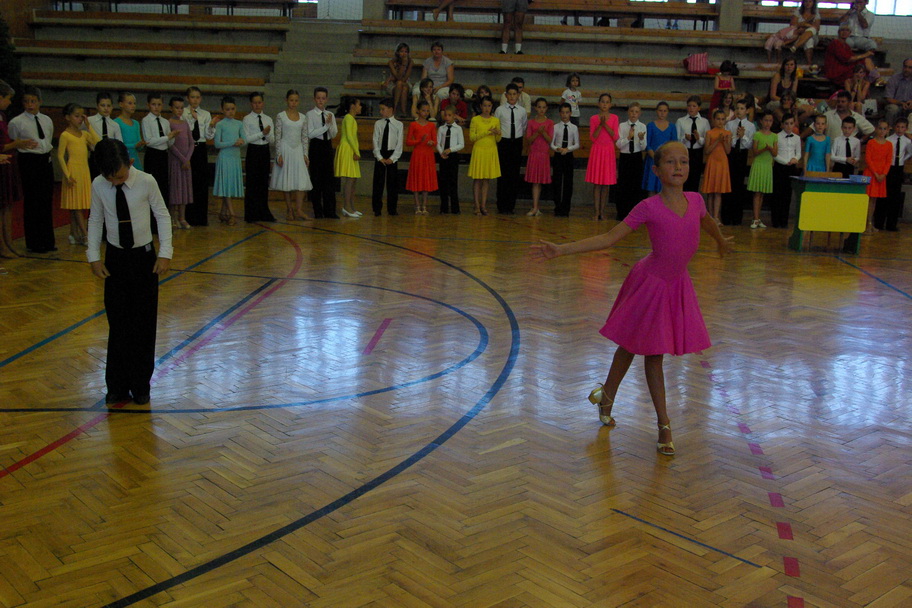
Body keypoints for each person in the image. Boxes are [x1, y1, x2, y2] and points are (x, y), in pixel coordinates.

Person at [530, 141, 733, 457]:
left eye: (683, 161)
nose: (678, 167)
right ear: (656, 170)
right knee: (652, 353)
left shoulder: (696, 200)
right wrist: (562, 250)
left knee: (630, 345)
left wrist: (720, 240)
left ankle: (606, 396)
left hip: (676, 286)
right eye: (670, 162)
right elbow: (609, 237)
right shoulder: (648, 207)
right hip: (650, 283)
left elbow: (706, 220)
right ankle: (664, 424)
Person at [86, 138, 172, 406]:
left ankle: (141, 384)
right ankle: (117, 386)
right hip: (115, 260)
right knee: (118, 323)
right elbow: (95, 219)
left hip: (143, 259)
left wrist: (165, 252)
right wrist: (93, 257)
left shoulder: (147, 181)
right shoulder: (99, 184)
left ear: (130, 162)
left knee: (143, 323)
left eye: (120, 177)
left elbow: (162, 215)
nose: (115, 182)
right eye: (110, 178)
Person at [9, 85, 56, 253]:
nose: (30, 105)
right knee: (32, 201)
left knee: (46, 200)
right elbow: (13, 141)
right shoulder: (17, 122)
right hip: (29, 161)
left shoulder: (47, 120)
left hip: (45, 160)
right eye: (26, 101)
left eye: (33, 101)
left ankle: (48, 240)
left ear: (40, 102)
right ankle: (34, 242)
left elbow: (48, 139)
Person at [57, 102, 101, 246]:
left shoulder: (84, 134)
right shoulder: (65, 135)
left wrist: (89, 126)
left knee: (79, 204)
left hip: (84, 171)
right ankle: (85, 235)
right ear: (68, 117)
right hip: (73, 171)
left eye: (81, 116)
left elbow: (98, 143)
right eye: (76, 116)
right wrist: (67, 175)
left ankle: (73, 233)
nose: (80, 119)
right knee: (76, 206)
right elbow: (60, 156)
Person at [271, 89, 313, 222]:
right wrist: (278, 154)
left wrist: (305, 154)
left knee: (301, 180)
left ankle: (299, 210)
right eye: (291, 100)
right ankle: (289, 209)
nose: (293, 103)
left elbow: (304, 137)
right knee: (286, 180)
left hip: (298, 150)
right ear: (286, 100)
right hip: (285, 150)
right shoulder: (281, 116)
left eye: (296, 100)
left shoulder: (303, 117)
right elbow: (278, 136)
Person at [242, 91, 276, 223]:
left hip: (264, 150)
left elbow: (272, 139)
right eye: (255, 103)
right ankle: (251, 214)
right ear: (251, 104)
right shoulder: (247, 119)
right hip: (253, 150)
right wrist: (261, 133)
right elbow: (246, 139)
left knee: (263, 182)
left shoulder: (268, 119)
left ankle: (264, 212)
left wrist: (267, 135)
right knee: (252, 182)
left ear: (263, 103)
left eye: (259, 102)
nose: (257, 105)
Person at [0, 79, 25, 258]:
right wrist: (16, 144)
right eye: (8, 98)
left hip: (6, 164)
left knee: (7, 206)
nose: (9, 102)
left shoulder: (2, 115)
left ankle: (8, 242)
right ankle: (2, 246)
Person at [183, 86, 214, 226]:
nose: (195, 100)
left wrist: (211, 125)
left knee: (201, 182)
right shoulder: (183, 113)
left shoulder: (206, 114)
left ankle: (201, 217)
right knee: (188, 181)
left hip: (200, 148)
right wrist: (192, 120)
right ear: (187, 98)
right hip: (187, 148)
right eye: (192, 97)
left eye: (197, 97)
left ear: (200, 99)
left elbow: (208, 136)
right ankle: (187, 216)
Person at [494, 83, 527, 214]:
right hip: (504, 143)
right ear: (506, 95)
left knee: (514, 174)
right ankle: (501, 205)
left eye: (514, 94)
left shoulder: (522, 111)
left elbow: (523, 126)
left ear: (518, 95)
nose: (512, 96)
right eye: (510, 94)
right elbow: (496, 126)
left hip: (516, 143)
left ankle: (511, 205)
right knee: (503, 174)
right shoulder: (500, 110)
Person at [212, 96, 245, 226]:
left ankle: (222, 212)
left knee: (229, 186)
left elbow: (245, 139)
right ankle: (232, 214)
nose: (230, 112)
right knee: (226, 186)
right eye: (227, 109)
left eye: (232, 109)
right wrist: (233, 142)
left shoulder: (239, 124)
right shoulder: (220, 124)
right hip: (225, 158)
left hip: (235, 158)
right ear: (222, 110)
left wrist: (241, 141)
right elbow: (217, 144)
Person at [306, 87, 338, 219]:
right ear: (314, 99)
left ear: (327, 99)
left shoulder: (330, 115)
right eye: (318, 98)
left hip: (327, 146)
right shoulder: (310, 115)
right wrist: (325, 126)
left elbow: (334, 134)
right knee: (316, 179)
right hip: (316, 146)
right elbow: (310, 133)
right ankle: (318, 211)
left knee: (329, 179)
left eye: (323, 98)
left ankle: (330, 211)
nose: (320, 101)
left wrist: (330, 126)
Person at [587, 93, 619, 221]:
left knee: (606, 184)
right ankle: (596, 212)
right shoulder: (594, 118)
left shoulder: (614, 118)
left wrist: (605, 125)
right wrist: (600, 125)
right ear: (598, 103)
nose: (605, 104)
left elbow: (615, 136)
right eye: (602, 102)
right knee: (597, 184)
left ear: (610, 104)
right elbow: (592, 137)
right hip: (597, 151)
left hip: (608, 151)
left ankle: (602, 211)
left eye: (607, 102)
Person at [722, 100, 755, 226]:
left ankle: (737, 217)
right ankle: (726, 216)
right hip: (731, 154)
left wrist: (743, 136)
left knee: (739, 185)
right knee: (728, 183)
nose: (739, 111)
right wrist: (736, 137)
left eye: (742, 108)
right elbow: (727, 141)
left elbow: (750, 144)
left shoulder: (751, 126)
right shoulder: (730, 124)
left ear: (747, 110)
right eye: (737, 108)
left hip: (742, 154)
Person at [141, 92, 176, 207]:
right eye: (153, 104)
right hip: (152, 155)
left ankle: (163, 210)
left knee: (163, 184)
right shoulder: (146, 120)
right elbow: (149, 141)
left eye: (159, 104)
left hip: (163, 155)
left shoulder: (165, 122)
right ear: (148, 105)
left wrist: (172, 137)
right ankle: (151, 213)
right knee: (152, 185)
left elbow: (169, 143)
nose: (156, 107)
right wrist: (167, 137)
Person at [875, 117, 910, 231]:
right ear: (894, 127)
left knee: (895, 197)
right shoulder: (889, 140)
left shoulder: (907, 141)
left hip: (899, 168)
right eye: (898, 127)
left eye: (902, 127)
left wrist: (902, 159)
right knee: (884, 195)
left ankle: (891, 224)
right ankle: (879, 223)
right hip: (888, 167)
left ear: (906, 128)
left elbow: (909, 153)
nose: (900, 129)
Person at [467, 97, 501, 215]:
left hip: (490, 150)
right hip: (479, 150)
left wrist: (498, 133)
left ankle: (483, 205)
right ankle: (476, 205)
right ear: (481, 106)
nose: (487, 108)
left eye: (489, 106)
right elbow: (472, 137)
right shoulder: (475, 120)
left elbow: (498, 139)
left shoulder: (495, 120)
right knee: (478, 179)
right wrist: (487, 132)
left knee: (486, 179)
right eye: (485, 105)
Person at [615, 101, 646, 221]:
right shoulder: (622, 126)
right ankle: (622, 212)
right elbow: (618, 145)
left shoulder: (642, 126)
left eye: (636, 112)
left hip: (636, 157)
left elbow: (643, 147)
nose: (634, 114)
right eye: (632, 111)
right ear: (628, 112)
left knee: (635, 185)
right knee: (623, 185)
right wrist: (628, 137)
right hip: (625, 157)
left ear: (640, 113)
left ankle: (635, 213)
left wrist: (641, 139)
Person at [372, 97, 403, 217]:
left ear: (391, 109)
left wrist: (393, 158)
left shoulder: (398, 125)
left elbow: (399, 143)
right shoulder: (378, 123)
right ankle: (377, 208)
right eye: (380, 109)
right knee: (378, 183)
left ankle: (392, 208)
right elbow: (375, 140)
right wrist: (379, 156)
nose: (381, 112)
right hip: (380, 154)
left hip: (392, 154)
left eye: (383, 109)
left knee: (392, 184)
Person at [405, 99, 438, 215]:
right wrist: (419, 140)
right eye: (423, 110)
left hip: (428, 155)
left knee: (426, 180)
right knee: (416, 180)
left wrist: (431, 143)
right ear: (418, 111)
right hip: (418, 155)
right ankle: (417, 205)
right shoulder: (413, 125)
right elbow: (408, 142)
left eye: (428, 111)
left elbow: (435, 141)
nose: (426, 113)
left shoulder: (431, 125)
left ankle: (424, 205)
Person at [524, 97, 553, 217]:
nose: (541, 109)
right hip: (534, 154)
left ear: (546, 108)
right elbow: (529, 140)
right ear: (535, 108)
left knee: (539, 182)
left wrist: (543, 132)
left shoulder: (550, 123)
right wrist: (537, 132)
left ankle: (537, 207)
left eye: (544, 107)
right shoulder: (531, 122)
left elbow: (550, 140)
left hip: (544, 154)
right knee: (535, 182)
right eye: (539, 107)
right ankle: (535, 207)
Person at [824, 25, 879, 89]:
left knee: (867, 61)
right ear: (838, 32)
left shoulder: (846, 45)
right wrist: (865, 54)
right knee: (865, 62)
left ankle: (874, 78)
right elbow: (848, 59)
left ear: (850, 33)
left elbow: (852, 57)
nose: (844, 32)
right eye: (842, 30)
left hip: (844, 67)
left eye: (847, 30)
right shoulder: (835, 43)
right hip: (836, 71)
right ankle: (876, 78)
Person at [167, 96, 193, 229]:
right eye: (176, 107)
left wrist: (187, 159)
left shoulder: (185, 123)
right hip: (176, 161)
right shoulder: (169, 123)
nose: (179, 110)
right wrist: (183, 159)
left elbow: (191, 143)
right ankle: (172, 217)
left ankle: (182, 217)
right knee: (175, 190)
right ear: (171, 108)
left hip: (186, 163)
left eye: (181, 108)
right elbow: (170, 144)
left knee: (184, 190)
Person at [748, 111, 777, 229]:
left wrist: (770, 149)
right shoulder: (757, 135)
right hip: (758, 165)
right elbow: (755, 152)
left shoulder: (774, 136)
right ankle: (755, 218)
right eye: (766, 120)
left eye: (770, 121)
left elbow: (775, 153)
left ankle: (758, 218)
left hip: (767, 166)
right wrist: (765, 149)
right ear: (761, 121)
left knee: (762, 193)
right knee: (757, 193)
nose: (767, 123)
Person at [771, 113, 801, 228]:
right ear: (782, 124)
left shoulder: (797, 138)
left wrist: (795, 159)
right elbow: (774, 154)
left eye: (791, 123)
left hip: (791, 168)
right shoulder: (776, 136)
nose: (789, 126)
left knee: (787, 195)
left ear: (794, 124)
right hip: (779, 167)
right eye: (786, 123)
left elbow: (798, 153)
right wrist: (785, 161)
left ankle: (784, 221)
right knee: (777, 193)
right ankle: (775, 221)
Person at [702, 109, 731, 224]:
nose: (720, 121)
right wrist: (717, 141)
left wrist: (723, 141)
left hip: (722, 163)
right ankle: (710, 216)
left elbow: (728, 151)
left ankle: (716, 216)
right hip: (712, 162)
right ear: (714, 120)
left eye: (722, 119)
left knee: (718, 191)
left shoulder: (728, 133)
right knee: (710, 191)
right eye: (718, 119)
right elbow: (707, 150)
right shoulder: (709, 133)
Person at [335, 96, 362, 218]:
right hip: (348, 149)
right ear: (352, 106)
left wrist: (356, 150)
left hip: (351, 149)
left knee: (353, 179)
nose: (360, 107)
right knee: (350, 179)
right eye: (359, 104)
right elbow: (350, 137)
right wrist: (356, 151)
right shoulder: (348, 118)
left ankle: (351, 206)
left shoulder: (352, 119)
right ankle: (346, 207)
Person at [863, 119, 891, 233]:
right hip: (871, 174)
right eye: (880, 128)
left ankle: (870, 223)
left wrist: (883, 174)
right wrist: (875, 174)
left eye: (884, 129)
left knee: (874, 201)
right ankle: (864, 223)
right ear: (876, 129)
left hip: (881, 175)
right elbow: (868, 159)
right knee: (867, 199)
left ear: (888, 130)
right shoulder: (871, 142)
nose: (882, 131)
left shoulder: (889, 144)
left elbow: (888, 161)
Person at [676, 95, 709, 194]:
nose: (691, 108)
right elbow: (677, 139)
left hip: (698, 153)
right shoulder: (681, 121)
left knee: (695, 178)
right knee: (683, 178)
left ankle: (693, 200)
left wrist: (699, 138)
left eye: (694, 106)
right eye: (689, 106)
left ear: (699, 108)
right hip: (684, 152)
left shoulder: (704, 122)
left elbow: (707, 140)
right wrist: (685, 139)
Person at [551, 102, 579, 217]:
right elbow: (551, 143)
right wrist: (557, 148)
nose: (565, 115)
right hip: (558, 155)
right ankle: (557, 207)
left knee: (568, 182)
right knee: (557, 181)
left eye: (567, 112)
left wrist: (568, 149)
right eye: (562, 112)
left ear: (570, 113)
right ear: (559, 113)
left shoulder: (574, 128)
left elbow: (577, 144)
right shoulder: (555, 127)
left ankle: (566, 208)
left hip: (568, 156)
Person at [642, 101, 675, 196]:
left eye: (665, 111)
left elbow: (674, 144)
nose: (662, 113)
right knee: (651, 188)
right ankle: (651, 206)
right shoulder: (650, 126)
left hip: (666, 161)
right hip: (652, 160)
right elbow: (647, 144)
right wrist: (655, 157)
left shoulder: (672, 127)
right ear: (656, 111)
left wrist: (665, 158)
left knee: (664, 188)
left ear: (668, 112)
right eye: (660, 110)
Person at [88, 92, 122, 179]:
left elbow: (119, 143)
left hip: (110, 158)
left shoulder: (115, 125)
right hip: (95, 156)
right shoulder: (89, 121)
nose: (106, 108)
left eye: (108, 106)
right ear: (97, 106)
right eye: (103, 105)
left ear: (112, 107)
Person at [437, 105, 464, 214]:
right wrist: (441, 152)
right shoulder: (441, 128)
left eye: (449, 115)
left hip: (453, 156)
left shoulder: (458, 129)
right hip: (443, 156)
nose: (447, 117)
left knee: (453, 181)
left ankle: (455, 208)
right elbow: (438, 142)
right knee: (443, 182)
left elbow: (461, 144)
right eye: (445, 115)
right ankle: (443, 208)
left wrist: (450, 149)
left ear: (454, 116)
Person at [114, 92, 144, 172]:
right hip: (122, 160)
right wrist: (134, 145)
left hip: (135, 160)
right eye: (130, 103)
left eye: (134, 103)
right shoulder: (116, 122)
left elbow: (139, 145)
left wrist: (141, 144)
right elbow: (117, 144)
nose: (133, 106)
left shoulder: (136, 123)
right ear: (121, 104)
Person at [787, 0, 821, 66]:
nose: (808, 3)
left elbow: (817, 28)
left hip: (812, 35)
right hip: (798, 35)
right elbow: (793, 25)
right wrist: (806, 24)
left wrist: (804, 27)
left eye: (810, 2)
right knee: (809, 40)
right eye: (806, 1)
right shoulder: (798, 11)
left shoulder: (816, 12)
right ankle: (809, 64)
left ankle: (795, 46)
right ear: (803, 3)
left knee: (813, 30)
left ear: (813, 3)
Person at [386, 43, 413, 117]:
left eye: (406, 52)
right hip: (393, 85)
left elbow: (405, 78)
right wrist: (403, 65)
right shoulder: (391, 62)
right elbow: (398, 77)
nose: (404, 54)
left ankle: (396, 109)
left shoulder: (410, 62)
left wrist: (405, 64)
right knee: (400, 84)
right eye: (401, 51)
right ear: (397, 52)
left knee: (402, 85)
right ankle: (401, 111)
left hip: (406, 83)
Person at [883, 59, 912, 127]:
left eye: (910, 68)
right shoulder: (894, 79)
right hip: (896, 104)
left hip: (910, 105)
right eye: (905, 66)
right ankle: (889, 129)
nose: (907, 69)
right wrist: (901, 103)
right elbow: (888, 98)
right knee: (893, 109)